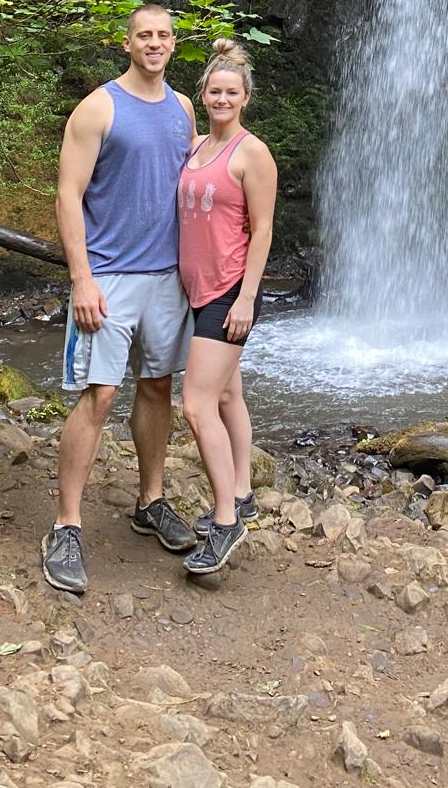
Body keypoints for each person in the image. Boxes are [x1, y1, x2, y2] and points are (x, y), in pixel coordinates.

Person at [42, 3, 199, 594]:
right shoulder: (98, 107)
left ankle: (150, 501)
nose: (154, 43)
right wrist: (82, 278)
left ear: (173, 43)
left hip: (168, 276)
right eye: (144, 35)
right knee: (100, 394)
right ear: (127, 43)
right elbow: (67, 195)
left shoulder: (184, 108)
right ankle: (67, 525)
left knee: (159, 385)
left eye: (163, 35)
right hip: (109, 276)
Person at [177, 38, 278, 576]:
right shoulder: (195, 146)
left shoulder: (252, 152)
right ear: (206, 94)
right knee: (227, 394)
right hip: (196, 289)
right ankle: (239, 492)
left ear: (245, 98)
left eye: (230, 92)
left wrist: (245, 297)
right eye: (214, 90)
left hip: (229, 292)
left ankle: (224, 522)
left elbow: (261, 231)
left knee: (196, 404)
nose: (221, 98)